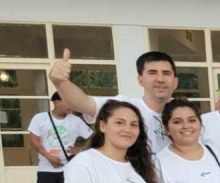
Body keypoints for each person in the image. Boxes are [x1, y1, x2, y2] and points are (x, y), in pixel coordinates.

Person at [50, 50, 178, 153]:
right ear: (140, 80)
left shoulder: (187, 114)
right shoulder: (125, 106)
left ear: (175, 82)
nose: (160, 79)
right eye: (152, 73)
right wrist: (59, 81)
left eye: (166, 73)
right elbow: (83, 103)